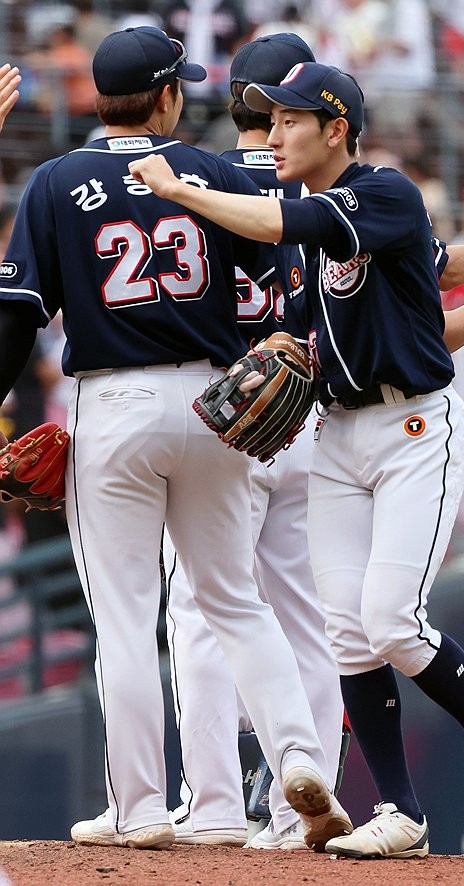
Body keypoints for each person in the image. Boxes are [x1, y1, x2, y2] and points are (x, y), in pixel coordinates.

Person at [128, 61, 464, 859]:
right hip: (337, 435)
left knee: (392, 621)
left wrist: (181, 190)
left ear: (335, 130)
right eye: (271, 118)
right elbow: (434, 270)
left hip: (415, 430)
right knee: (348, 634)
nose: (274, 133)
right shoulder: (323, 219)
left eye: (291, 120)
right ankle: (402, 812)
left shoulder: (381, 193)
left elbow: (280, 228)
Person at [0, 27, 348, 850]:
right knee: (234, 600)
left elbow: (17, 317)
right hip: (210, 404)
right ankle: (301, 757)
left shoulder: (54, 182)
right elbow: (275, 270)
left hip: (112, 404)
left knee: (125, 619)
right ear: (166, 97)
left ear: (96, 99)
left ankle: (142, 809)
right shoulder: (211, 173)